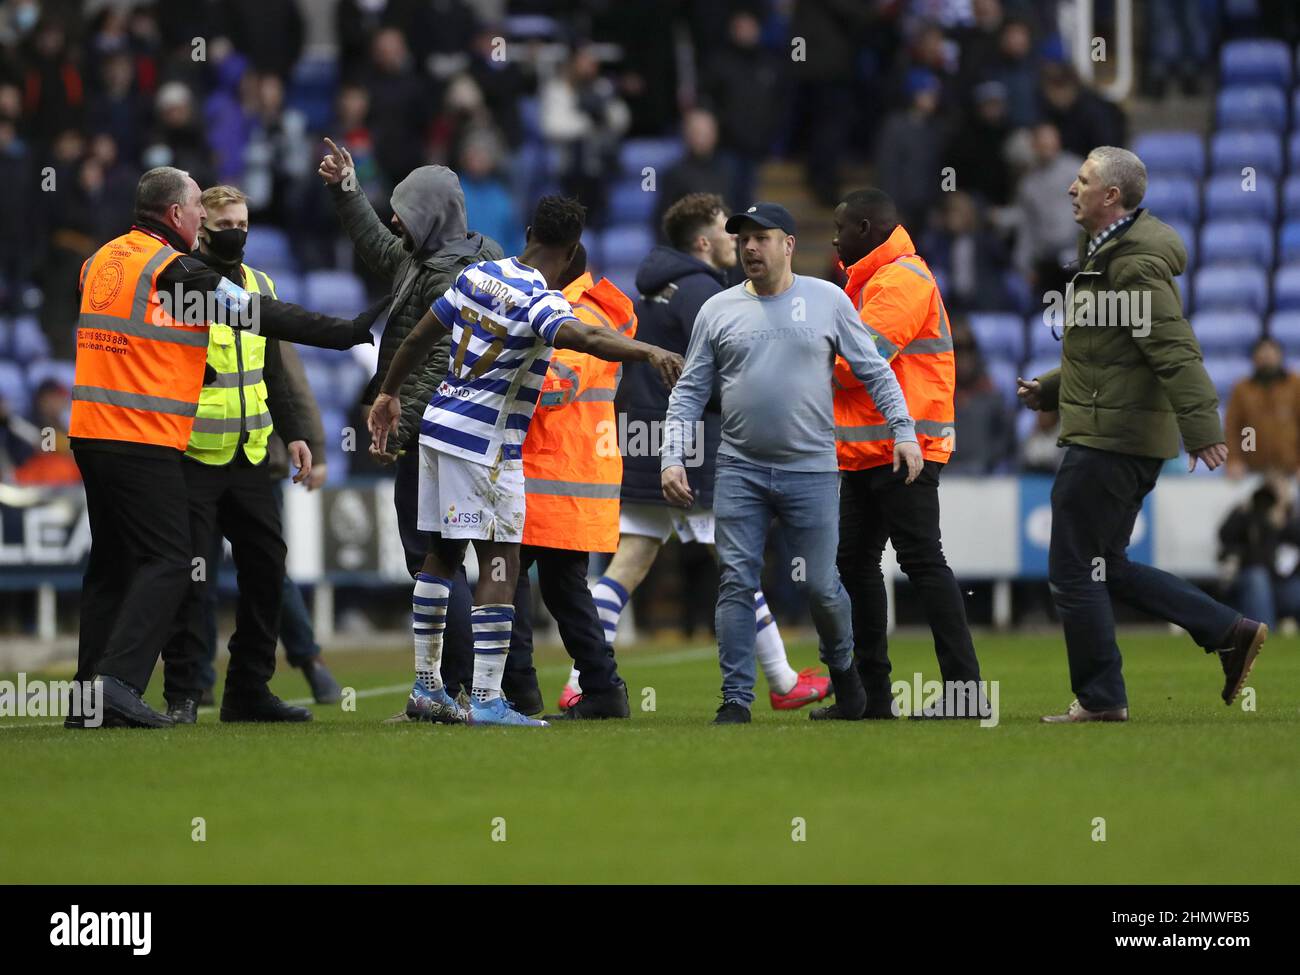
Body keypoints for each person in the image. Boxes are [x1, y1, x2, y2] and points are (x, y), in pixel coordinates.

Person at [69, 165, 377, 729]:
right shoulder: (175, 270)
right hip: (147, 437)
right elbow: (258, 314)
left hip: (93, 427)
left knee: (111, 567)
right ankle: (118, 686)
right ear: (178, 216)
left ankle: (88, 697)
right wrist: (346, 331)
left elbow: (129, 330)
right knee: (168, 563)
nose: (204, 222)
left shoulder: (103, 259)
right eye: (196, 212)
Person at [367, 196, 683, 727]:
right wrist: (649, 351)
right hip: (486, 445)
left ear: (530, 229)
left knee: (440, 558)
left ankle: (426, 690)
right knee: (501, 563)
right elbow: (585, 337)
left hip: (439, 429)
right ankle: (490, 701)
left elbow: (422, 334)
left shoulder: (477, 275)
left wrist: (388, 394)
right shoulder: (542, 300)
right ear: (574, 249)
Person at [1018, 146, 1264, 723]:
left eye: (1081, 181)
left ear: (1111, 197)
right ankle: (1228, 630)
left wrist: (1205, 429)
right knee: (1107, 564)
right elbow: (1113, 353)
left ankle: (1102, 698)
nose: (1070, 189)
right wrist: (1053, 390)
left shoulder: (1131, 263)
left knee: (1074, 567)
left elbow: (1173, 349)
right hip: (1120, 433)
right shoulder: (1108, 253)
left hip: (1110, 440)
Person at [561, 192, 830, 713]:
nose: (740, 242)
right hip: (688, 444)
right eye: (728, 231)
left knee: (628, 564)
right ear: (704, 241)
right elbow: (711, 374)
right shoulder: (705, 291)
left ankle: (581, 679)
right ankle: (781, 678)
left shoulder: (657, 288)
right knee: (736, 564)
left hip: (640, 435)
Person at [661, 202, 922, 725]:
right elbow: (689, 391)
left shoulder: (827, 300)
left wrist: (904, 431)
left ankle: (844, 674)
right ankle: (736, 699)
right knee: (737, 580)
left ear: (789, 245)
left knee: (823, 586)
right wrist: (672, 458)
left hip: (812, 469)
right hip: (740, 468)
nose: (750, 247)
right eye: (743, 239)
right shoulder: (718, 310)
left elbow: (873, 370)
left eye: (762, 237)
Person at [318, 137, 501, 702]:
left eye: (406, 210)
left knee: (437, 563)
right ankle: (456, 689)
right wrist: (349, 190)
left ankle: (456, 688)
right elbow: (378, 245)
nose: (396, 219)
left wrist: (397, 423)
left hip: (436, 437)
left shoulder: (453, 276)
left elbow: (442, 364)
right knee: (444, 559)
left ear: (432, 213)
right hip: (454, 437)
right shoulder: (438, 258)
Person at [160, 184, 344, 724]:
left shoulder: (260, 284)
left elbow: (275, 374)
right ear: (203, 228)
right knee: (194, 580)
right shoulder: (182, 286)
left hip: (250, 454)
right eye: (225, 225)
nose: (236, 232)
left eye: (242, 223)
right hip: (192, 454)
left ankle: (248, 690)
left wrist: (296, 435)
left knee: (266, 569)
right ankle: (185, 694)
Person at [820, 187, 985, 720]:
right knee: (856, 565)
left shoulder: (902, 281)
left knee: (919, 561)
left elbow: (856, 364)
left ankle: (965, 693)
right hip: (868, 450)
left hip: (904, 448)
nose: (835, 237)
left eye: (841, 227)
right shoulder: (872, 283)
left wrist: (801, 362)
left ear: (866, 229)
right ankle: (871, 697)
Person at [505, 246, 633, 721]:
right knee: (562, 590)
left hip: (554, 482)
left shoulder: (583, 314)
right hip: (564, 481)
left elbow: (557, 385)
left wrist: (501, 364)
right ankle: (603, 689)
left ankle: (520, 691)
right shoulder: (581, 310)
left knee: (510, 580)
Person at [1218, 479, 1300, 631]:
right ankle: (1262, 635)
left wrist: (1283, 524)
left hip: (1283, 585)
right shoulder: (1248, 514)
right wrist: (1245, 513)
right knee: (1258, 577)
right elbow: (1225, 535)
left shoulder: (1291, 518)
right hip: (1250, 582)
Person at [1224, 337, 1300, 479]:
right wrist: (1234, 460)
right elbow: (1232, 428)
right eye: (1262, 355)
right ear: (1254, 359)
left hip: (1291, 469)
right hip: (1253, 471)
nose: (1266, 359)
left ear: (1280, 356)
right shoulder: (1243, 389)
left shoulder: (1295, 386)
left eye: (1270, 355)